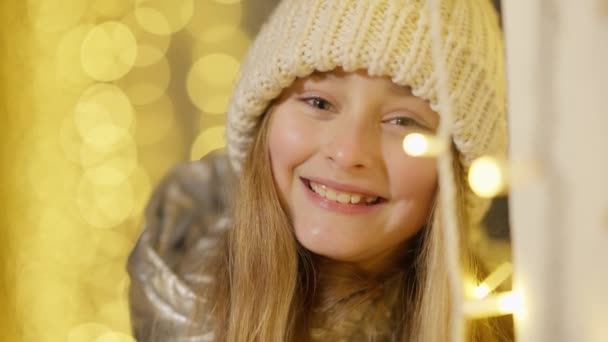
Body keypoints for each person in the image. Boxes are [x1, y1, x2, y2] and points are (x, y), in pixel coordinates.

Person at [127, 0, 511, 341]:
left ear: (458, 174)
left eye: (403, 122)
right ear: (265, 122)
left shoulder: (523, 324)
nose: (347, 153)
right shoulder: (177, 304)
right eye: (319, 102)